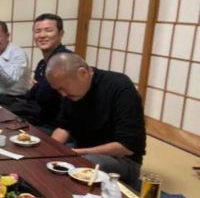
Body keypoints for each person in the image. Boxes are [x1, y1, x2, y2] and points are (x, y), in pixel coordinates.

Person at [47, 53, 146, 184]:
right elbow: (64, 127)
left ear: (83, 73)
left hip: (122, 159)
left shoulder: (120, 87)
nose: (63, 94)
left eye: (63, 88)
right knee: (49, 158)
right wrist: (51, 150)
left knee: (83, 165)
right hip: (82, 149)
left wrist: (77, 152)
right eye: (58, 90)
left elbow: (127, 146)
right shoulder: (71, 93)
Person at [25, 13, 73, 130]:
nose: (42, 35)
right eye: (37, 31)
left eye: (48, 30)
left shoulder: (66, 61)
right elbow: (32, 97)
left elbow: (43, 97)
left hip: (61, 128)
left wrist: (36, 87)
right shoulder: (43, 64)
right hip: (42, 121)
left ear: (61, 34)